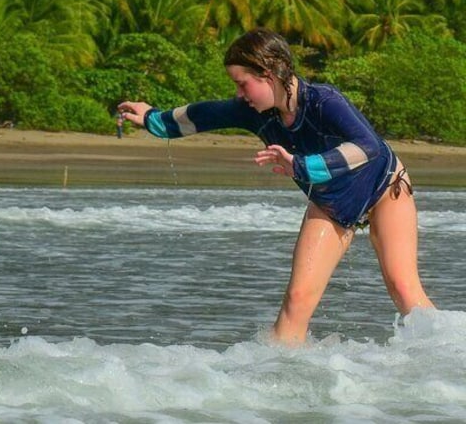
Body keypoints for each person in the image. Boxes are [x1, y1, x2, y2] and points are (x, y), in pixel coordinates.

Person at [117, 28, 435, 345]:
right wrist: (152, 119)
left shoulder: (324, 101)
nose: (240, 94)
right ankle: (274, 379)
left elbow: (369, 148)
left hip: (384, 189)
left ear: (268, 74)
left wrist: (300, 165)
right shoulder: (254, 113)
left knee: (403, 287)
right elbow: (204, 114)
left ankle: (450, 354)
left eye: (243, 84)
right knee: (297, 299)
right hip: (333, 204)